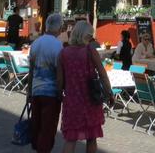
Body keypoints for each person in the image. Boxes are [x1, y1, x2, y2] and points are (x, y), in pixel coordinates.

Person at [57, 20, 114, 153]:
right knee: (91, 137)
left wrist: (60, 94)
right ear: (86, 36)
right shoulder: (90, 51)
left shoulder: (63, 53)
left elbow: (60, 80)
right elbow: (102, 74)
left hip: (72, 101)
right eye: (90, 36)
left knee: (70, 139)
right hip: (90, 100)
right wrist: (109, 92)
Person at [28, 13, 64, 153]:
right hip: (51, 93)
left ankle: (38, 149)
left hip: (36, 90)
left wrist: (29, 92)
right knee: (48, 129)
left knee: (37, 126)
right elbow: (59, 73)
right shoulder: (58, 46)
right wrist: (60, 92)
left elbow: (31, 70)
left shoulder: (36, 43)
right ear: (59, 28)